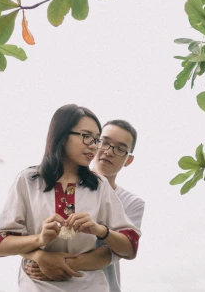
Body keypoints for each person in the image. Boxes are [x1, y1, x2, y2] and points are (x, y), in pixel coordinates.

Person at [0, 105, 140, 291]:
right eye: (86, 136)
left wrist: (99, 229)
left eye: (96, 139)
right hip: (37, 285)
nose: (93, 145)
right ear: (62, 134)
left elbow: (130, 246)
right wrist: (40, 241)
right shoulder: (28, 180)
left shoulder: (100, 185)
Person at [23, 120, 144, 292]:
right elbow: (23, 235)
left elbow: (114, 252)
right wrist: (38, 256)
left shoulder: (132, 203)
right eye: (104, 142)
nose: (109, 152)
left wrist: (57, 264)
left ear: (128, 160)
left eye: (120, 148)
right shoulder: (50, 184)